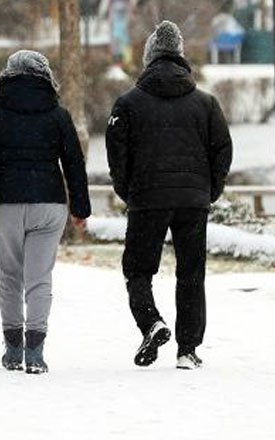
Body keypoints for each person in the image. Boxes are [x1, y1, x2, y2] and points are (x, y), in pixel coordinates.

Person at [105, 21, 233, 370]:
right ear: (181, 56)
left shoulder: (128, 104)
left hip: (147, 198)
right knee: (191, 273)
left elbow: (116, 153)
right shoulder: (205, 104)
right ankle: (187, 350)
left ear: (148, 59)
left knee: (138, 270)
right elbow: (222, 149)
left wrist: (127, 190)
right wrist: (209, 190)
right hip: (193, 200)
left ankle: (151, 322)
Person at [0, 50, 91, 374]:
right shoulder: (58, 114)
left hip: (5, 204)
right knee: (39, 280)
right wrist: (81, 208)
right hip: (49, 203)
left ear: (7, 76)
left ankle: (13, 349)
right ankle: (36, 352)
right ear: (45, 77)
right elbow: (74, 162)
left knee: (10, 279)